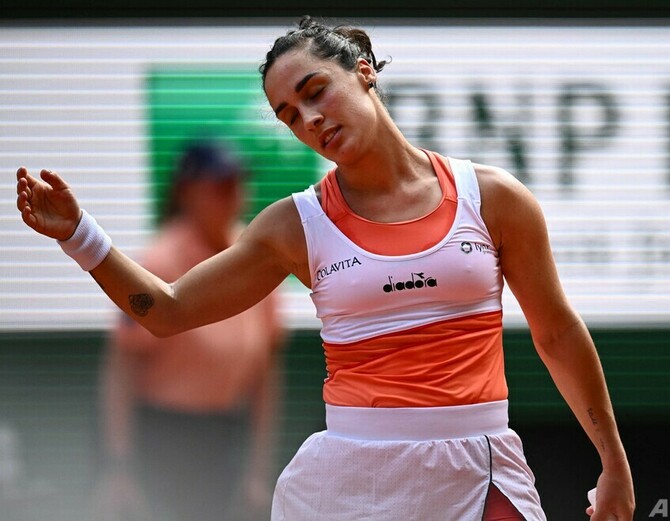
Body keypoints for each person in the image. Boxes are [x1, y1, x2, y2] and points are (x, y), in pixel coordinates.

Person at [16, 16, 634, 521]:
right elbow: (166, 311)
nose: (308, 119)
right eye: (289, 114)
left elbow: (557, 333)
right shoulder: (294, 226)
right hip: (352, 481)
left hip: (482, 470)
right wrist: (77, 233)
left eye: (315, 92)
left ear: (364, 72)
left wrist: (613, 461)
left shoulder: (494, 198)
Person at [91, 141, 286, 521]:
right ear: (187, 192)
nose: (235, 195)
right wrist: (118, 465)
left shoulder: (257, 257)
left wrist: (258, 470)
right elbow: (121, 367)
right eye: (221, 186)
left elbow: (266, 372)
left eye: (239, 183)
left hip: (225, 434)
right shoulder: (161, 261)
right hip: (162, 437)